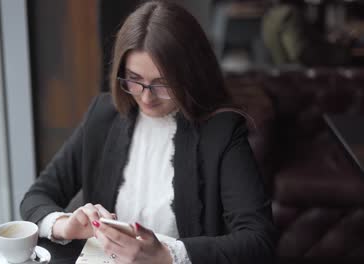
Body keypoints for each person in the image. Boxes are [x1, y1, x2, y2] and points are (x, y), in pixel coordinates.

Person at [20, 1, 276, 263]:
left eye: (162, 83)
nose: (146, 97)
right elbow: (36, 197)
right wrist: (65, 225)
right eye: (134, 79)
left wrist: (168, 255)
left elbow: (258, 239)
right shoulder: (103, 115)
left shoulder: (222, 132)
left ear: (191, 75)